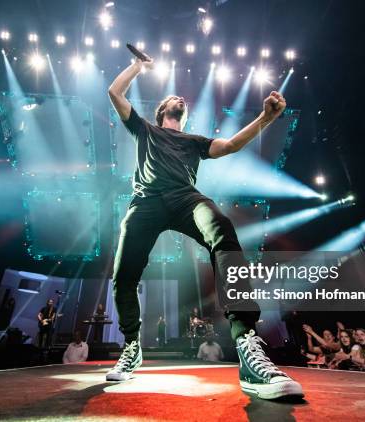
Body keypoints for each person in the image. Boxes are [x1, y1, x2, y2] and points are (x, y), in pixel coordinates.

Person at [105, 55, 303, 399]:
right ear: (163, 109)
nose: (180, 98)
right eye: (173, 98)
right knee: (123, 276)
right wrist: (137, 66)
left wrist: (266, 117)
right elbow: (114, 92)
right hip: (146, 201)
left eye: (183, 100)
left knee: (222, 229)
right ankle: (132, 345)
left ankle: (245, 341)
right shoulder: (145, 129)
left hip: (186, 198)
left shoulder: (194, 141)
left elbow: (229, 146)